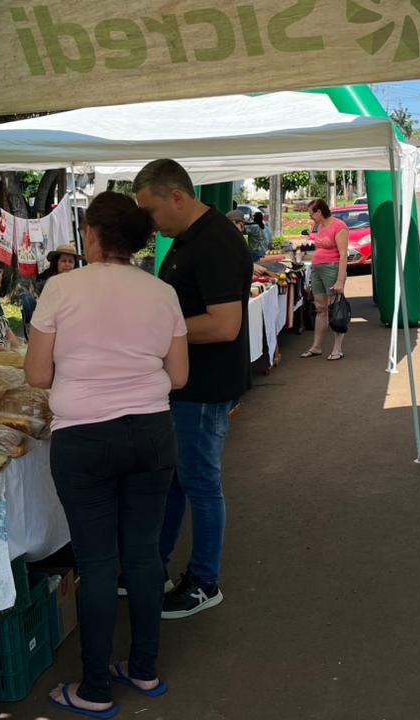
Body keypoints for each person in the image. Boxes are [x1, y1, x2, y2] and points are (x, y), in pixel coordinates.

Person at [25, 192, 189, 718]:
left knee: (97, 564)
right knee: (144, 556)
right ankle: (144, 668)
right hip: (152, 434)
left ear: (92, 234)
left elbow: (36, 374)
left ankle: (95, 689)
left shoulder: (61, 288)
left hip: (84, 440)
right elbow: (179, 376)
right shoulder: (162, 292)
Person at [133, 159, 252, 620]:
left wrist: (157, 334)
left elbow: (224, 325)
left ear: (177, 197)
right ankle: (154, 567)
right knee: (177, 480)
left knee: (200, 483)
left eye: (151, 210)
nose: (150, 222)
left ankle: (205, 581)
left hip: (205, 386)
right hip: (187, 384)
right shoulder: (188, 238)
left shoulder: (216, 242)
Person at [302, 199, 347, 361]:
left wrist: (340, 280)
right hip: (317, 269)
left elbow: (343, 254)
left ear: (319, 212)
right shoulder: (320, 226)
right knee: (320, 308)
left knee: (335, 308)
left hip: (332, 269)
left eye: (311, 214)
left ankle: (337, 348)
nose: (311, 218)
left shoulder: (339, 226)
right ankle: (316, 347)